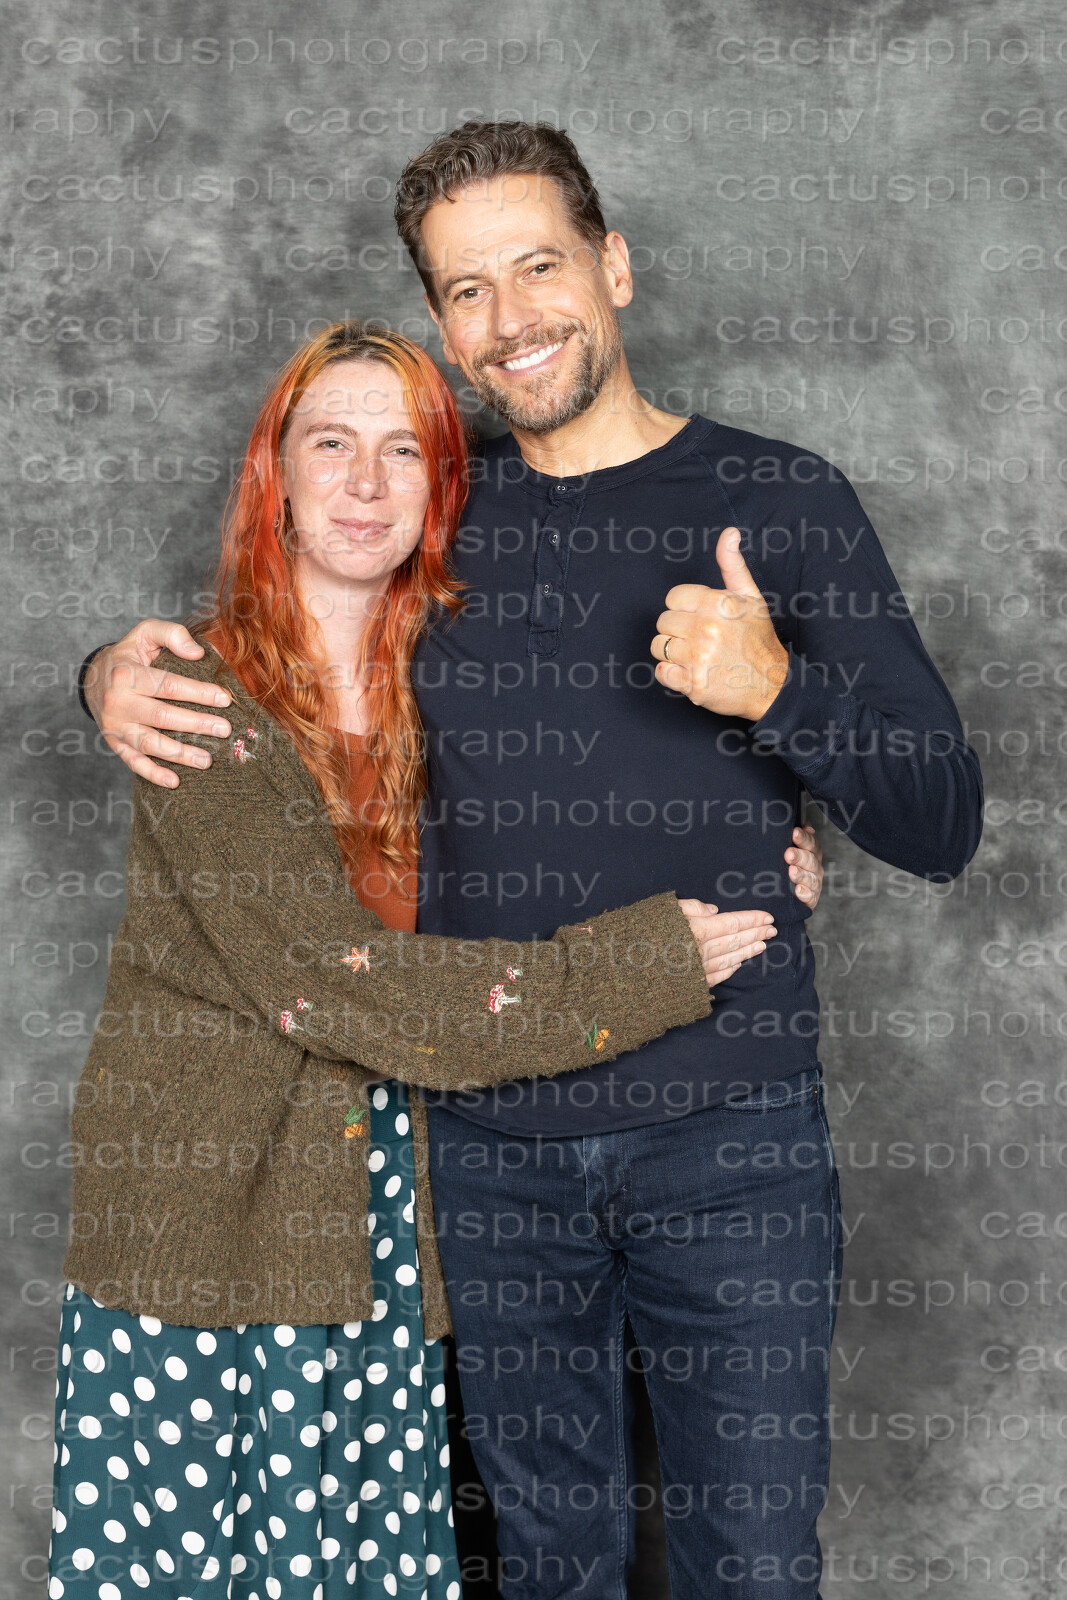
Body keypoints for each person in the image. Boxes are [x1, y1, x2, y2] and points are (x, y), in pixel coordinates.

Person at [74, 118, 971, 1600]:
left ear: (613, 266)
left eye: (538, 266)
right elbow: (271, 660)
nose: (510, 317)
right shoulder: (426, 510)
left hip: (726, 1141)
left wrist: (778, 694)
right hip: (486, 1158)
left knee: (749, 1564)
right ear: (442, 322)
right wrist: (107, 670)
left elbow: (939, 820)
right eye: (466, 288)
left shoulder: (779, 498)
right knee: (543, 1568)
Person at [50, 321, 781, 1600]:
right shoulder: (195, 695)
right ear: (276, 474)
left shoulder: (452, 683)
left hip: (388, 1220)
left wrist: (765, 852)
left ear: (443, 486)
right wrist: (634, 969)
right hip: (206, 1227)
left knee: (373, 1566)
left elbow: (605, 800)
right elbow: (327, 978)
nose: (364, 483)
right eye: (330, 443)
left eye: (403, 451)